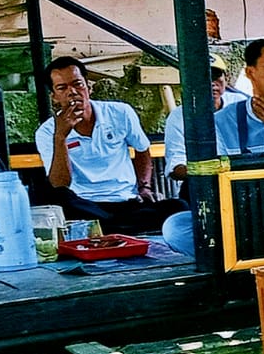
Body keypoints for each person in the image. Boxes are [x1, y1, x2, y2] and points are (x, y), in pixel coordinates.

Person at [34, 56, 183, 234]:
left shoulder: (120, 112)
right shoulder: (47, 132)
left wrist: (144, 188)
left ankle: (108, 229)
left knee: (179, 207)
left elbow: (142, 149)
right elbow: (60, 184)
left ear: (88, 87)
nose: (72, 92)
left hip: (127, 202)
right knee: (59, 199)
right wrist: (60, 137)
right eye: (62, 88)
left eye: (78, 84)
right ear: (54, 97)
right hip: (84, 205)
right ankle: (118, 229)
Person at [164, 57, 230, 198]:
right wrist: (207, 170)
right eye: (202, 77)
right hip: (202, 185)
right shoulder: (178, 117)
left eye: (215, 76)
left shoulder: (241, 105)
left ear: (227, 78)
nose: (210, 82)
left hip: (240, 181)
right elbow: (176, 166)